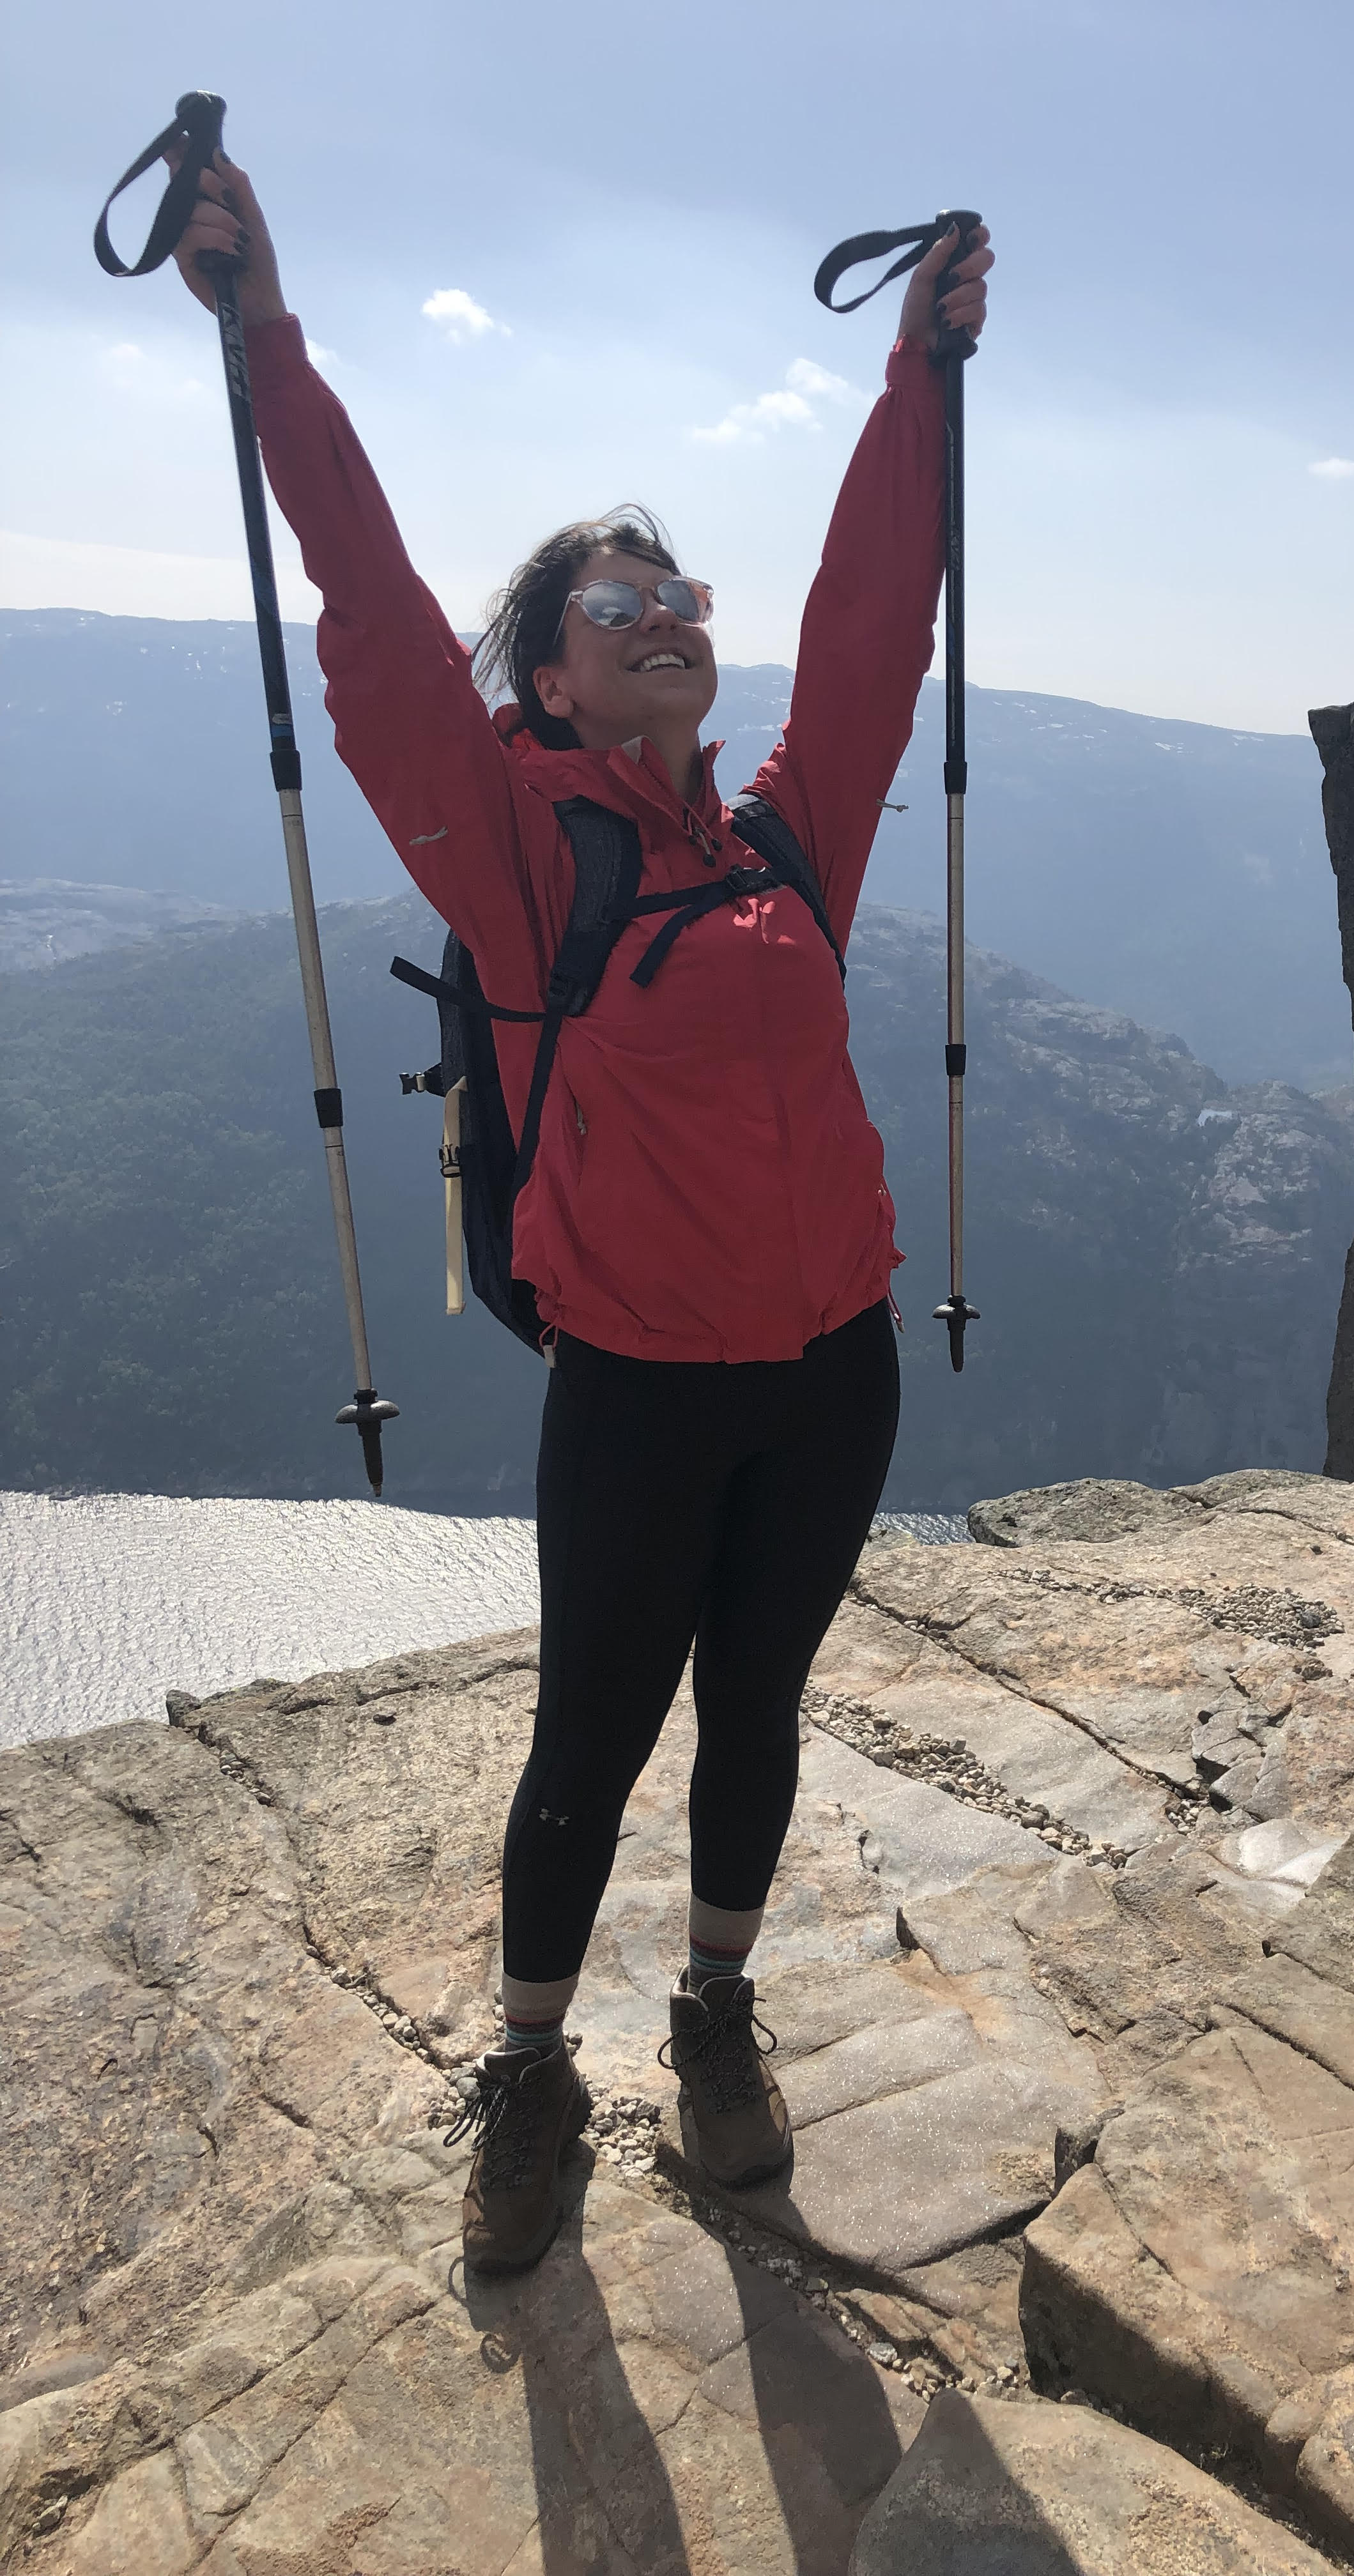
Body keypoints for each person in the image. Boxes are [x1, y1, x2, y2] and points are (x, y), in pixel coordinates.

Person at [168, 152, 992, 2271]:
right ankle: (530, 2071)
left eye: (680, 599)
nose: (672, 625)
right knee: (588, 1741)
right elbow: (365, 613)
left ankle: (713, 2018)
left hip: (834, 1369)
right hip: (635, 1382)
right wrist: (266, 338)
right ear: (542, 677)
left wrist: (918, 371)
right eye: (621, 609)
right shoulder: (529, 863)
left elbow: (877, 624)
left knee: (759, 1713)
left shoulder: (780, 844)